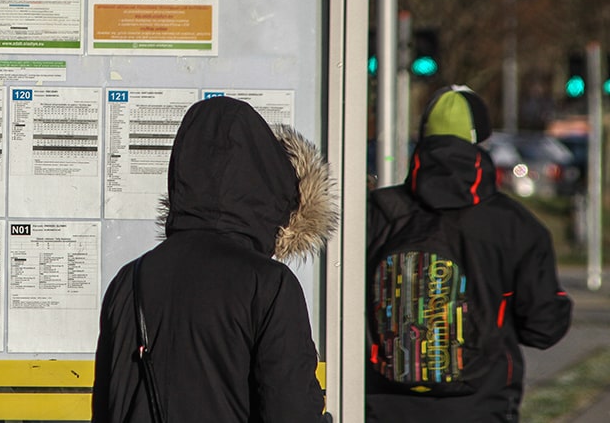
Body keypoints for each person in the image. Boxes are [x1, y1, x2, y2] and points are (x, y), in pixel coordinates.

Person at [91, 95, 338, 423]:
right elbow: (291, 411)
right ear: (266, 185)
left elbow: (108, 406)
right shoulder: (267, 285)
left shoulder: (130, 280)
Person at [365, 85, 573, 422]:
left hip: (384, 405)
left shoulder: (377, 212)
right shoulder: (513, 224)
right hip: (481, 403)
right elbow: (543, 327)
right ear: (482, 142)